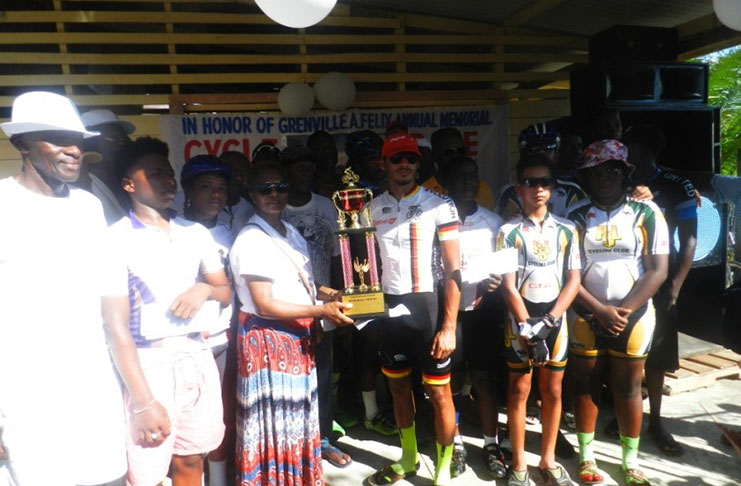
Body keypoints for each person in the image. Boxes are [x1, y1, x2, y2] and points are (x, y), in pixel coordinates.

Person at [0, 91, 165, 486]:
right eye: (58, 139)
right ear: (21, 143)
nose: (74, 150)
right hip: (25, 402)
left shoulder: (89, 208)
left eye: (78, 141)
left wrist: (144, 401)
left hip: (94, 395)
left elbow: (114, 317)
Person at [107, 136, 230, 486]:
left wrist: (203, 288)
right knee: (146, 473)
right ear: (129, 184)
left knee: (192, 458)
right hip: (149, 363)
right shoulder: (115, 240)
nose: (168, 180)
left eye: (170, 173)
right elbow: (116, 328)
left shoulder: (194, 233)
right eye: (155, 173)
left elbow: (223, 290)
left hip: (196, 354)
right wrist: (144, 402)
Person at [229, 162, 353, 486]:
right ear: (251, 194)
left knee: (297, 419)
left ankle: (298, 477)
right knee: (275, 423)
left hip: (296, 339)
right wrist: (321, 311)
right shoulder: (251, 239)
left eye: (280, 187)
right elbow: (264, 303)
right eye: (265, 189)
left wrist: (333, 294)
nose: (274, 194)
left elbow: (306, 282)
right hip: (269, 343)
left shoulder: (290, 232)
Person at [566, 140, 669, 486]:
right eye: (597, 171)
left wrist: (620, 312)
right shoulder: (575, 216)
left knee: (628, 388)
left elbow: (657, 270)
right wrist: (599, 311)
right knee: (585, 384)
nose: (605, 177)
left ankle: (630, 461)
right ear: (587, 177)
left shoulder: (648, 213)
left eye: (613, 170)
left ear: (625, 174)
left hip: (633, 315)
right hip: (585, 312)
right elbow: (569, 276)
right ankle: (587, 457)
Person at [367, 133, 461, 486]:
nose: (404, 164)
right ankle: (407, 459)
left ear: (418, 164)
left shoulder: (440, 204)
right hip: (390, 306)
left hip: (429, 306)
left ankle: (443, 470)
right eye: (396, 158)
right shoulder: (371, 207)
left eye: (410, 158)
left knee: (439, 392)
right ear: (384, 164)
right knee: (397, 389)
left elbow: (454, 269)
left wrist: (448, 326)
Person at [497, 154, 581, 486]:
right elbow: (507, 285)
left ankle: (548, 459)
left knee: (554, 391)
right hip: (520, 318)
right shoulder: (508, 231)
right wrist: (528, 325)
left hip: (554, 318)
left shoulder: (568, 230)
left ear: (553, 187)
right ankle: (519, 463)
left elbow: (574, 281)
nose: (539, 189)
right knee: (519, 390)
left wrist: (549, 321)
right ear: (519, 187)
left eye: (545, 182)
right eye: (531, 183)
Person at [623, 125, 697, 456]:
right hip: (624, 283)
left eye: (641, 153)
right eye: (630, 154)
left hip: (661, 283)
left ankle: (655, 420)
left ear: (654, 154)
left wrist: (675, 287)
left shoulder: (676, 186)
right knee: (627, 353)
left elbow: (690, 239)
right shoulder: (616, 182)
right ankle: (629, 411)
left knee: (656, 357)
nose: (635, 160)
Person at [279, 143, 354, 467]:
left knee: (322, 375)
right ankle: (291, 440)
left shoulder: (328, 205)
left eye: (309, 168)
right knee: (289, 379)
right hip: (285, 309)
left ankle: (322, 438)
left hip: (324, 305)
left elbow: (341, 259)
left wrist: (343, 299)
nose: (305, 173)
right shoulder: (274, 208)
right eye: (298, 168)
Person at [441, 155, 508, 479]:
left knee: (483, 380)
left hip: (483, 313)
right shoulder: (436, 222)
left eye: (473, 177)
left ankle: (491, 443)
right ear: (446, 184)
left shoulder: (493, 222)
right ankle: (455, 444)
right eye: (461, 178)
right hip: (449, 314)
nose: (469, 184)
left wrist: (496, 281)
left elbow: (505, 270)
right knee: (451, 381)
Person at [179, 154, 237, 486]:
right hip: (182, 343)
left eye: (221, 188)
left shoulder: (233, 234)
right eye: (206, 187)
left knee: (220, 415)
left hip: (223, 338)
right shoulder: (172, 230)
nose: (216, 194)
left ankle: (217, 480)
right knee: (185, 421)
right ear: (188, 191)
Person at [497, 124, 586, 221]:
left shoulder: (572, 191)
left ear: (556, 155)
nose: (540, 154)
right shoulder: (510, 192)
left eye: (548, 149)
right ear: (523, 155)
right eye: (534, 150)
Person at [77, 109, 135, 223]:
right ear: (89, 140)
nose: (120, 143)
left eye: (123, 139)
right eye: (112, 138)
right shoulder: (81, 182)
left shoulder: (126, 180)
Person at [424, 127, 496, 210]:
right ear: (434, 156)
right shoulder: (424, 192)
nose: (456, 156)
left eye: (461, 150)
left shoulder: (481, 188)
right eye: (449, 152)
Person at [307, 130, 340, 198]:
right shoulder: (306, 188)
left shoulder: (347, 183)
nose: (328, 151)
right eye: (321, 148)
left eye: (331, 146)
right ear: (312, 153)